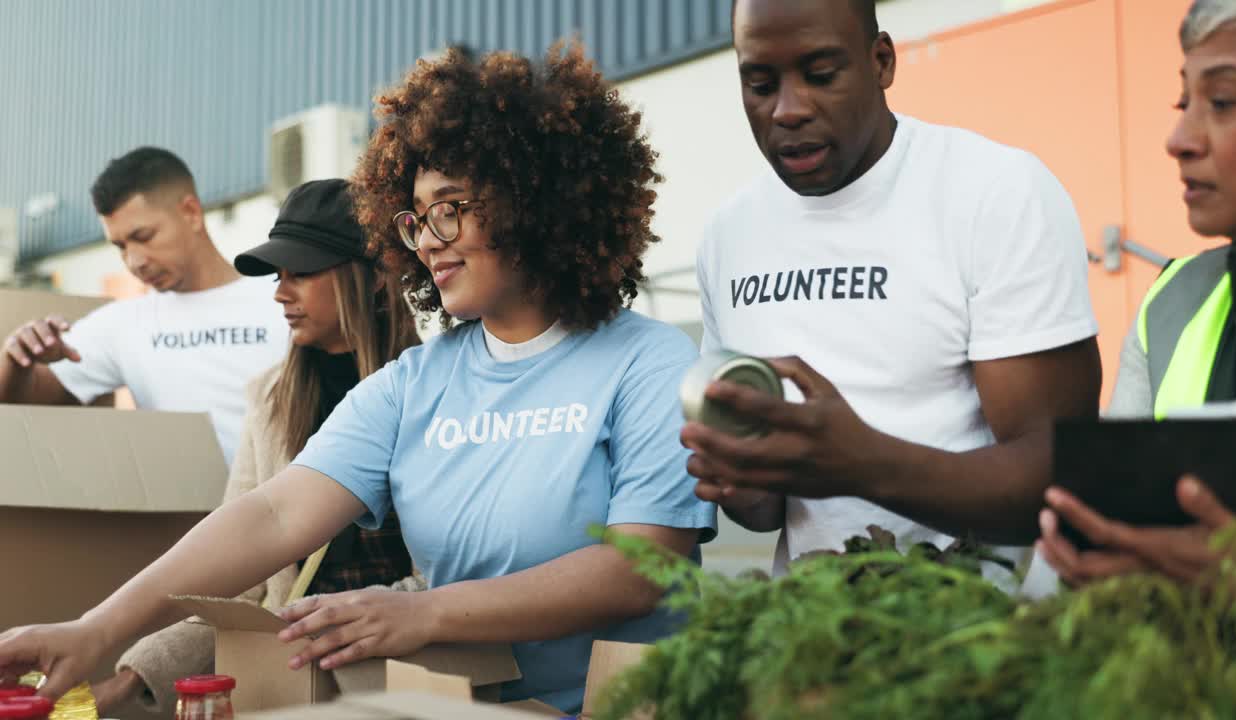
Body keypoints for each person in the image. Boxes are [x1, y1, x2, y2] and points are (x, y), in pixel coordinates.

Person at [0, 44, 716, 715]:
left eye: (451, 209)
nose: (428, 239)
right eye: (415, 219)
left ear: (537, 201)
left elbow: (641, 567)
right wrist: (96, 630)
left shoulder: (648, 362)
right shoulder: (415, 382)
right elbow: (271, 516)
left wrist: (425, 611)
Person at [685, 0, 1102, 579]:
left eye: (821, 75)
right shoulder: (728, 234)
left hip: (987, 637)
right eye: (759, 83)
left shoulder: (995, 193)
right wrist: (744, 479)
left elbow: (1058, 476)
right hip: (811, 638)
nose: (787, 109)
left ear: (881, 62)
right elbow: (764, 514)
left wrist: (860, 463)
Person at [89, 179, 425, 716]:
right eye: (277, 276)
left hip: (414, 676)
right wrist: (129, 680)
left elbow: (456, 575)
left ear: (375, 280)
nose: (279, 292)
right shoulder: (271, 399)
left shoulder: (435, 392)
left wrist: (383, 611)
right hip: (290, 676)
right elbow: (238, 587)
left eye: (302, 274)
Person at [1037, 0, 1236, 634]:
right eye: (1184, 105)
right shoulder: (1174, 304)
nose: (1179, 140)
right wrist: (1106, 558)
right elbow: (1122, 533)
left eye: (1222, 102)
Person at [0, 147, 288, 466]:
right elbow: (25, 402)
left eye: (144, 236)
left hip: (294, 511)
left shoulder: (283, 301)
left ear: (191, 212)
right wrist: (18, 359)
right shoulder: (124, 323)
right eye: (120, 246)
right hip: (182, 514)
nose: (134, 261)